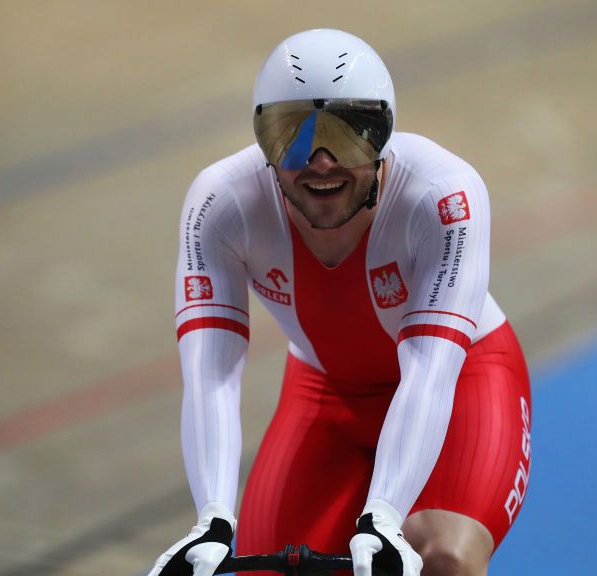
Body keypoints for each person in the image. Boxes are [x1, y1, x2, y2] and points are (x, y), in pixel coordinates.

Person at [148, 29, 531, 576]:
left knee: (442, 557)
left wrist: (384, 515)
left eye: (348, 136)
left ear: (384, 139)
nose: (321, 162)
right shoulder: (221, 203)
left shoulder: (443, 194)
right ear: (263, 141)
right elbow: (211, 376)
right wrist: (212, 518)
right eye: (292, 136)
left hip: (462, 378)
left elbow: (428, 370)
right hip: (324, 392)